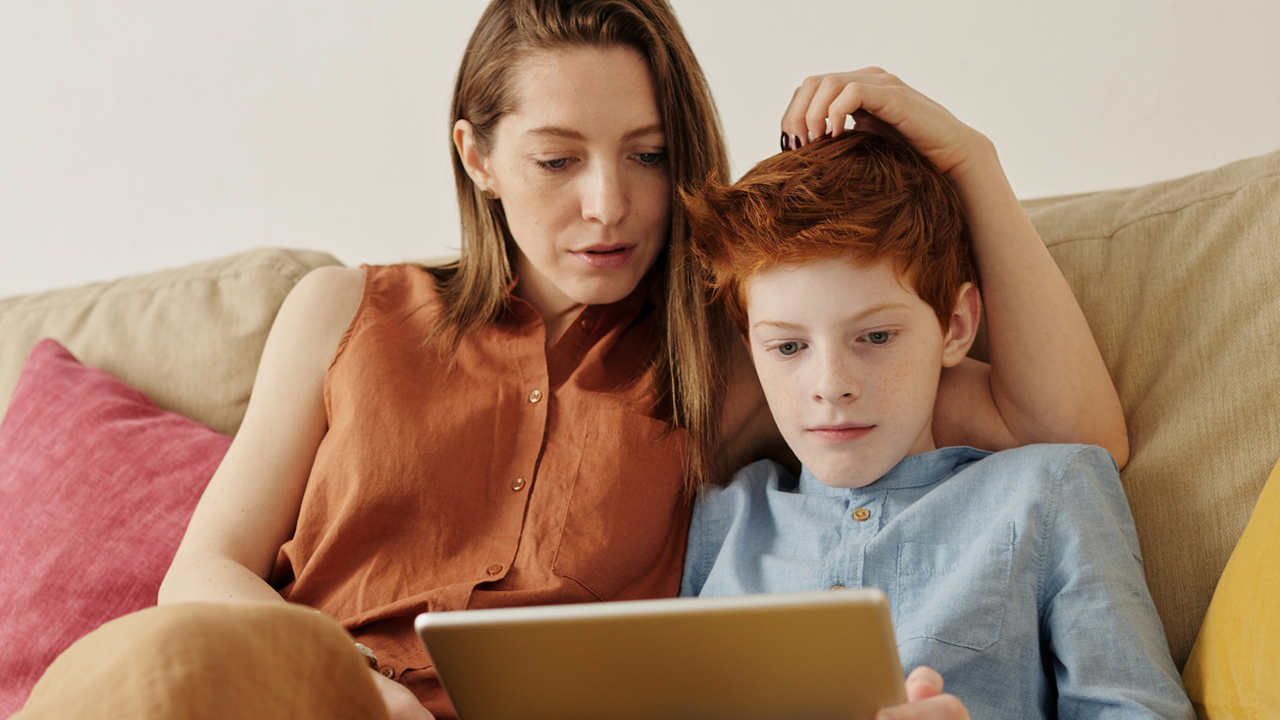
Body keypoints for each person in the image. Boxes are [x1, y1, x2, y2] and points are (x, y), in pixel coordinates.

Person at [15, 1, 1127, 719]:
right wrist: (360, 688)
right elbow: (201, 575)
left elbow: (1060, 425)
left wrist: (967, 159)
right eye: (557, 159)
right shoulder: (342, 311)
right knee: (154, 674)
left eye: (647, 158)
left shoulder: (733, 355)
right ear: (479, 156)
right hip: (303, 699)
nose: (608, 206)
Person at [679, 129, 1193, 719]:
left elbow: (1139, 709)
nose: (831, 384)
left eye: (875, 337)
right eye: (789, 347)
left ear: (954, 326)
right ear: (751, 346)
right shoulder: (724, 518)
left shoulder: (1047, 491)